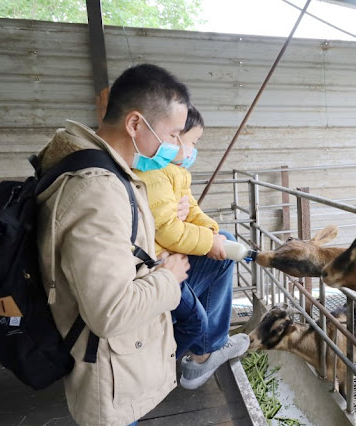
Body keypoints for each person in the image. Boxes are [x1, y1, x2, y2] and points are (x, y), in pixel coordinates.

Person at [36, 64, 192, 425]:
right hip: (108, 376)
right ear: (135, 124)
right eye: (173, 134)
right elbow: (111, 312)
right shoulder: (98, 190)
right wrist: (169, 276)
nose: (178, 147)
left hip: (112, 367)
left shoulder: (89, 164)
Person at [134, 105, 249, 390]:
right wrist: (210, 242)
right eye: (187, 140)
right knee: (220, 259)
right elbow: (169, 230)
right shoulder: (155, 173)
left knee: (224, 240)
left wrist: (213, 235)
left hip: (167, 260)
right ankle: (204, 353)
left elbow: (193, 211)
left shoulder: (175, 173)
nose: (191, 149)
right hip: (157, 271)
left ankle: (205, 350)